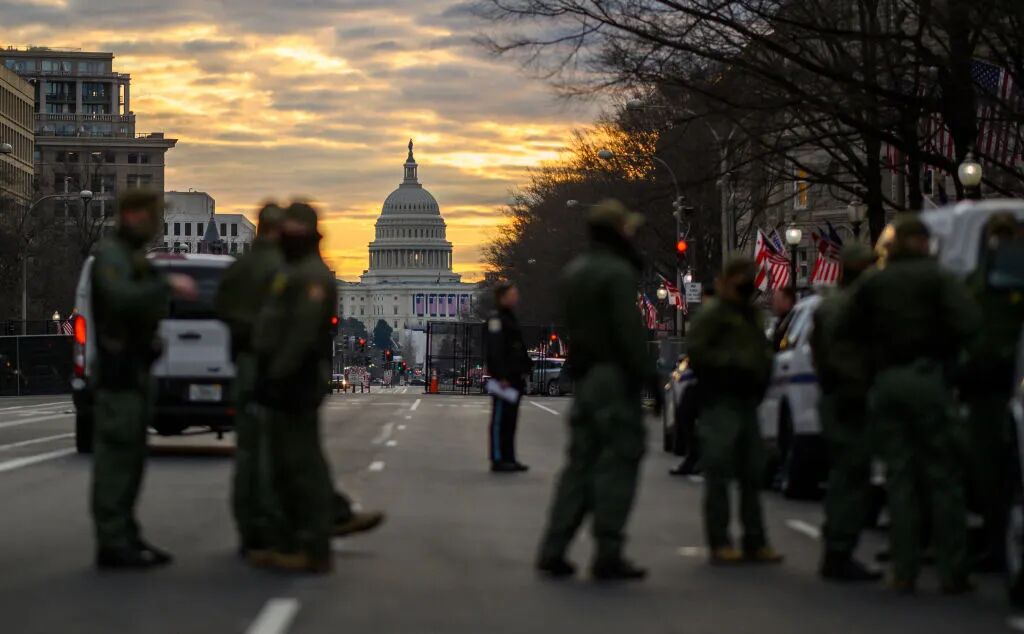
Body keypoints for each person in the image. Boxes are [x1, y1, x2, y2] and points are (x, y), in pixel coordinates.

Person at [842, 214, 979, 594]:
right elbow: (969, 322)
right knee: (943, 476)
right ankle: (953, 570)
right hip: (929, 378)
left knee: (899, 479)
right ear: (924, 242)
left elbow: (847, 327)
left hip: (887, 381)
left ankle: (904, 569)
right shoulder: (938, 279)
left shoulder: (876, 282)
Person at [253, 202, 383, 573]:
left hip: (293, 382)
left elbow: (300, 334)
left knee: (299, 464)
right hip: (287, 378)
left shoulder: (310, 275)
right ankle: (302, 537)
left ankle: (312, 547)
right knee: (291, 463)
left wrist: (276, 375)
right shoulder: (296, 270)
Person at [536, 199, 659, 582]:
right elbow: (628, 331)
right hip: (613, 378)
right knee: (618, 463)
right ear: (616, 231)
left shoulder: (574, 272)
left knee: (579, 465)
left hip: (585, 377)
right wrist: (651, 377)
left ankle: (554, 547)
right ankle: (609, 550)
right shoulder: (615, 273)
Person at [90, 189, 197, 569]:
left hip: (135, 370)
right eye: (153, 215)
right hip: (119, 372)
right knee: (117, 460)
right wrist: (164, 285)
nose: (157, 223)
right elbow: (120, 298)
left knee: (131, 460)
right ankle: (113, 541)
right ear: (134, 215)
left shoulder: (133, 255)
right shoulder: (113, 256)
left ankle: (126, 535)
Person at [687, 257, 782, 565]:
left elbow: (762, 353)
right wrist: (725, 370)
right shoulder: (713, 314)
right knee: (719, 470)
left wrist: (760, 380)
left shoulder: (753, 315)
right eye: (742, 276)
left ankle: (755, 540)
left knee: (753, 471)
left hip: (747, 400)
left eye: (750, 276)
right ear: (728, 278)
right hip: (721, 400)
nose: (747, 281)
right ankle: (720, 540)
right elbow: (698, 352)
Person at [215, 203, 287, 563]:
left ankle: (248, 529)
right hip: (269, 367)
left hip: (244, 364)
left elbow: (222, 309)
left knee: (247, 454)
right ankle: (267, 528)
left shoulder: (239, 268)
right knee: (272, 454)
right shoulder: (279, 270)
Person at [809, 244, 881, 582]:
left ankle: (837, 548)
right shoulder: (854, 306)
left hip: (834, 393)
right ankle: (839, 550)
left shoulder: (828, 305)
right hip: (850, 395)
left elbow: (818, 351)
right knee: (851, 474)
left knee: (844, 472)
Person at [960, 212, 1024, 572]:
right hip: (986, 385)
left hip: (1010, 379)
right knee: (987, 470)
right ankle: (995, 540)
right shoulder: (979, 280)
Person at [485, 282, 532, 473]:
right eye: (513, 294)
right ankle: (497, 458)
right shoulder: (496, 320)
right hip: (504, 379)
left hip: (514, 377)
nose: (516, 297)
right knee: (500, 420)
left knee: (511, 420)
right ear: (502, 297)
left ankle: (510, 458)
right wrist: (500, 375)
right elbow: (494, 351)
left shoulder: (510, 318)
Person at [670, 284, 715, 477]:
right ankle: (694, 455)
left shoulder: (725, 319)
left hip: (722, 380)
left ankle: (701, 457)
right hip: (705, 378)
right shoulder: (709, 320)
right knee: (685, 411)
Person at [769, 287, 796, 351]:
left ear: (788, 301)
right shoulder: (784, 320)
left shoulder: (792, 322)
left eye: (777, 300)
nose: (774, 304)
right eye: (774, 300)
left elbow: (783, 347)